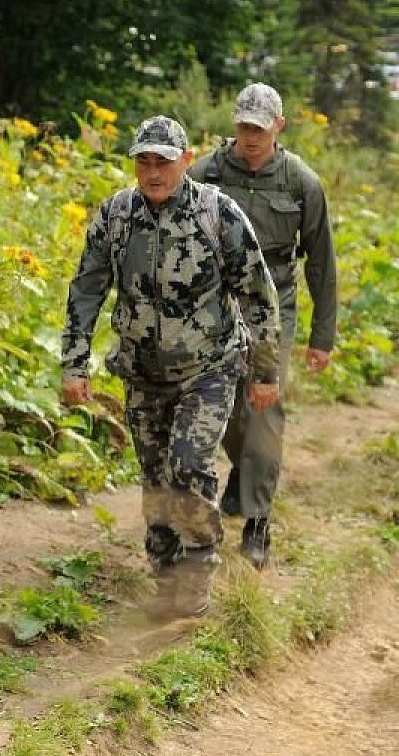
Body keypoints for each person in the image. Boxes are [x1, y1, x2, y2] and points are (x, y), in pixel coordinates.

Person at [60, 115, 281, 619]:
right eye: (144, 161)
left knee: (188, 464)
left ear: (185, 161)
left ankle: (199, 565)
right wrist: (75, 364)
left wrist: (266, 371)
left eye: (163, 160)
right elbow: (86, 290)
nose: (153, 171)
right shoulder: (115, 216)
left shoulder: (217, 215)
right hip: (142, 373)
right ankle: (165, 572)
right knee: (156, 478)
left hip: (210, 368)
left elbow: (258, 295)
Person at [188, 83, 337, 568]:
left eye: (260, 127)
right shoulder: (207, 172)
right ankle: (242, 469)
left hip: (275, 308)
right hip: (216, 304)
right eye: (244, 126)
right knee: (224, 405)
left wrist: (322, 337)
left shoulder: (301, 183)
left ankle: (258, 523)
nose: (250, 136)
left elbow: (321, 264)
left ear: (278, 126)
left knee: (265, 407)